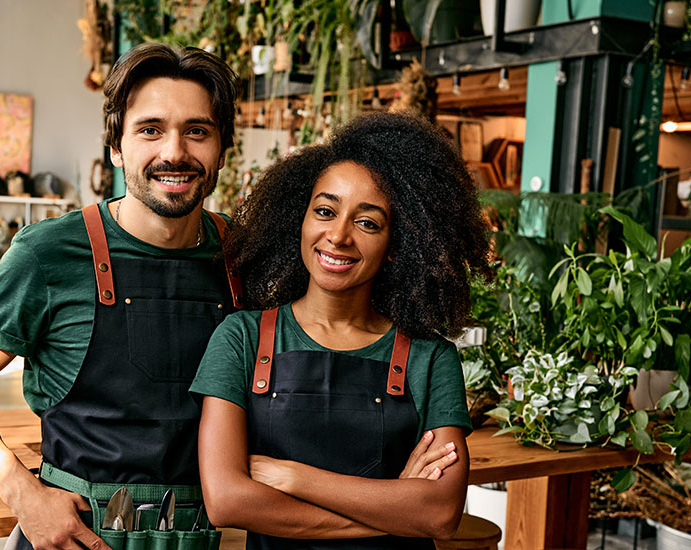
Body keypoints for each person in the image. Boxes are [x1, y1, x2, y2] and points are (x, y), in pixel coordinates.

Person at [0, 43, 243, 550]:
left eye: (197, 131)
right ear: (116, 148)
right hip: (75, 537)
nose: (175, 152)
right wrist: (22, 494)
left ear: (222, 149)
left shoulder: (244, 257)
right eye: (150, 129)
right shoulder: (49, 254)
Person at [191, 112, 494, 549]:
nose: (338, 235)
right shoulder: (241, 338)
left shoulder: (430, 359)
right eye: (325, 211)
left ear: (397, 246)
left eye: (368, 222)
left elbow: (441, 512)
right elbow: (227, 501)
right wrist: (396, 513)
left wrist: (294, 477)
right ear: (300, 219)